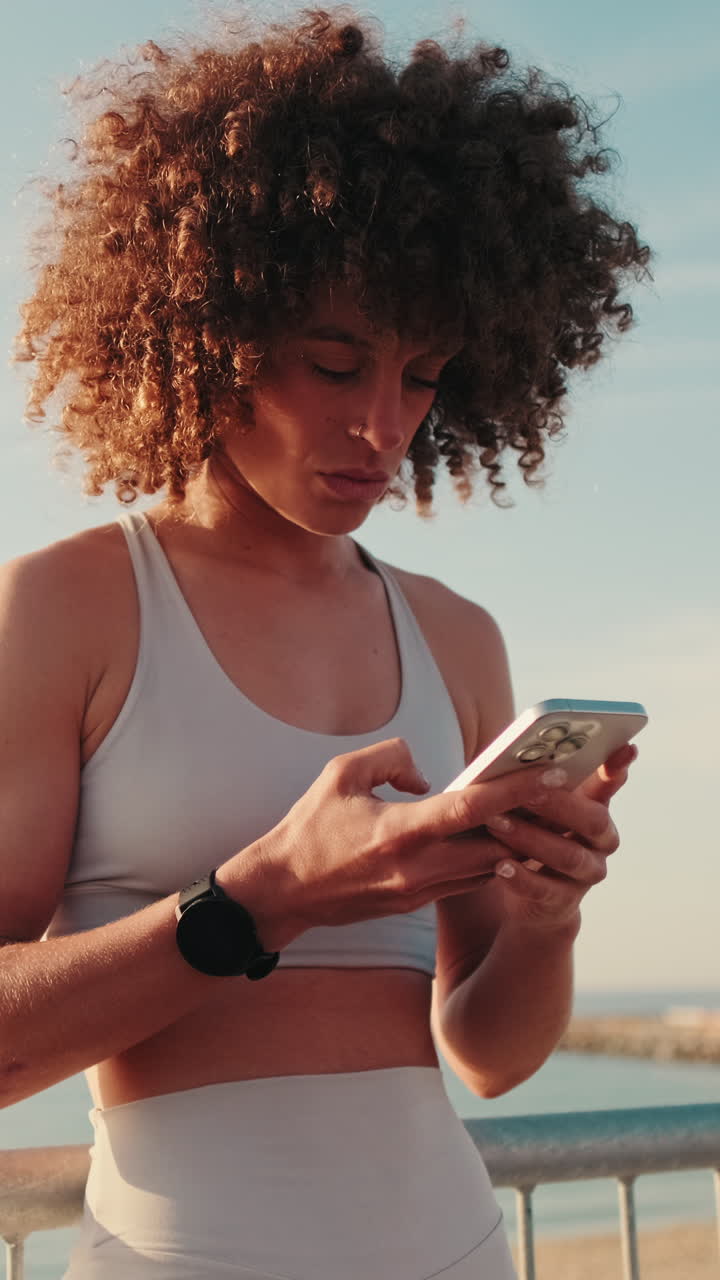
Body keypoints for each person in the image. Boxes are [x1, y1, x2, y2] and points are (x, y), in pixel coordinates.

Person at [2, 9, 649, 1278]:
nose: (382, 424)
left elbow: (489, 1053)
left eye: (422, 373)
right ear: (206, 326)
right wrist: (264, 898)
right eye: (335, 361)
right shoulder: (65, 607)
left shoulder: (458, 634)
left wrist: (544, 919)